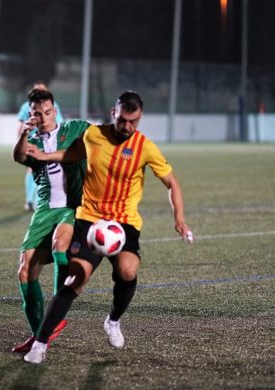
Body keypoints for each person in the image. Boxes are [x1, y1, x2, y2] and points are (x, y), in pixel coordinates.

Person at [23, 91, 194, 364]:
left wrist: (179, 219)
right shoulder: (93, 136)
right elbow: (72, 154)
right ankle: (40, 344)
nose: (127, 126)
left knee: (128, 270)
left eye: (134, 121)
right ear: (113, 112)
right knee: (75, 278)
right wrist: (44, 157)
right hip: (90, 219)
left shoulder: (145, 147)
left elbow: (172, 183)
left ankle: (113, 320)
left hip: (124, 223)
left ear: (139, 119)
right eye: (123, 119)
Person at [12, 88, 90, 353]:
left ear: (54, 111)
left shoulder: (75, 128)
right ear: (31, 115)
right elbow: (19, 157)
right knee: (24, 271)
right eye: (37, 113)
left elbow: (102, 137)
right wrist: (23, 133)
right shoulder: (32, 140)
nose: (43, 117)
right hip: (45, 209)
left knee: (60, 244)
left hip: (72, 207)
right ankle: (39, 336)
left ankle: (57, 311)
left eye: (47, 112)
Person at [17, 81, 64, 211]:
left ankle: (39, 201)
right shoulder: (26, 106)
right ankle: (30, 200)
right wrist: (21, 140)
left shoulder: (53, 106)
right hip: (33, 142)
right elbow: (21, 125)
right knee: (32, 169)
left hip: (50, 142)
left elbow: (59, 122)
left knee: (45, 170)